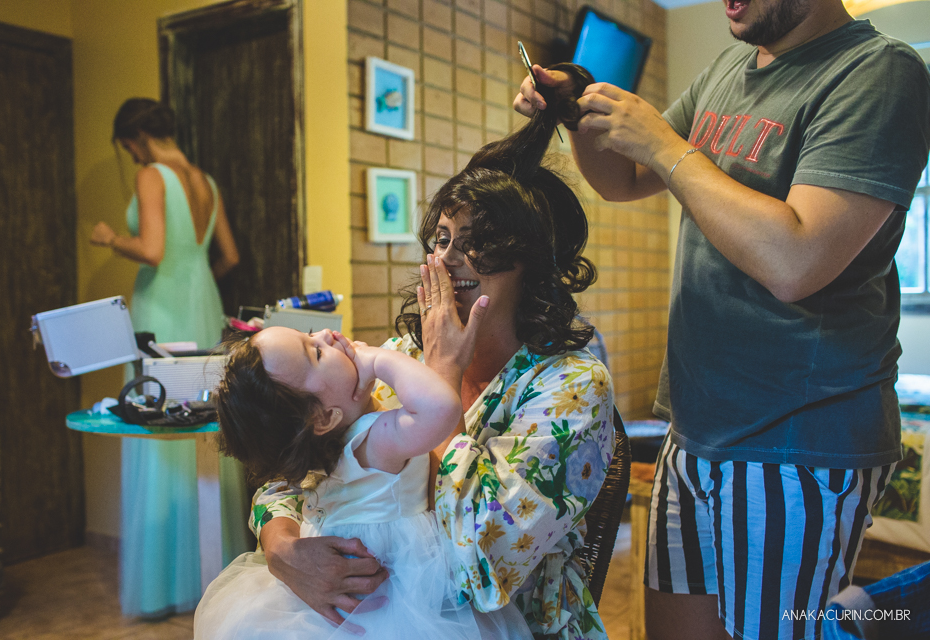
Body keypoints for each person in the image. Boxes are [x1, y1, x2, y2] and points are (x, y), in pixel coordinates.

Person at [514, 1, 930, 639]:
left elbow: (796, 259)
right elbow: (622, 179)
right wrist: (576, 109)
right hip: (696, 427)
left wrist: (664, 141)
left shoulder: (877, 71)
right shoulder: (726, 72)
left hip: (799, 442)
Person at [245, 94, 616, 639]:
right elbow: (295, 456)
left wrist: (441, 383)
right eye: (441, 240)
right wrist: (283, 548)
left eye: (478, 244)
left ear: (533, 263)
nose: (445, 260)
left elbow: (481, 567)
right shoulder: (398, 359)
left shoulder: (571, 388)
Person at [193, 325, 534, 639]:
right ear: (325, 417)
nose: (327, 335)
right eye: (316, 352)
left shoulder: (320, 451)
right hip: (397, 600)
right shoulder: (373, 440)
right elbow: (442, 408)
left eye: (311, 335)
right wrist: (379, 360)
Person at [90, 98, 246, 618]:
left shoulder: (152, 174)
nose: (131, 157)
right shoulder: (205, 181)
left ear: (135, 137)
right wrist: (194, 284)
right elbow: (229, 256)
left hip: (162, 307)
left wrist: (113, 239)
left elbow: (153, 249)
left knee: (155, 429)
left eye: (128, 148)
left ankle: (161, 585)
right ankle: (211, 575)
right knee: (202, 430)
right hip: (203, 305)